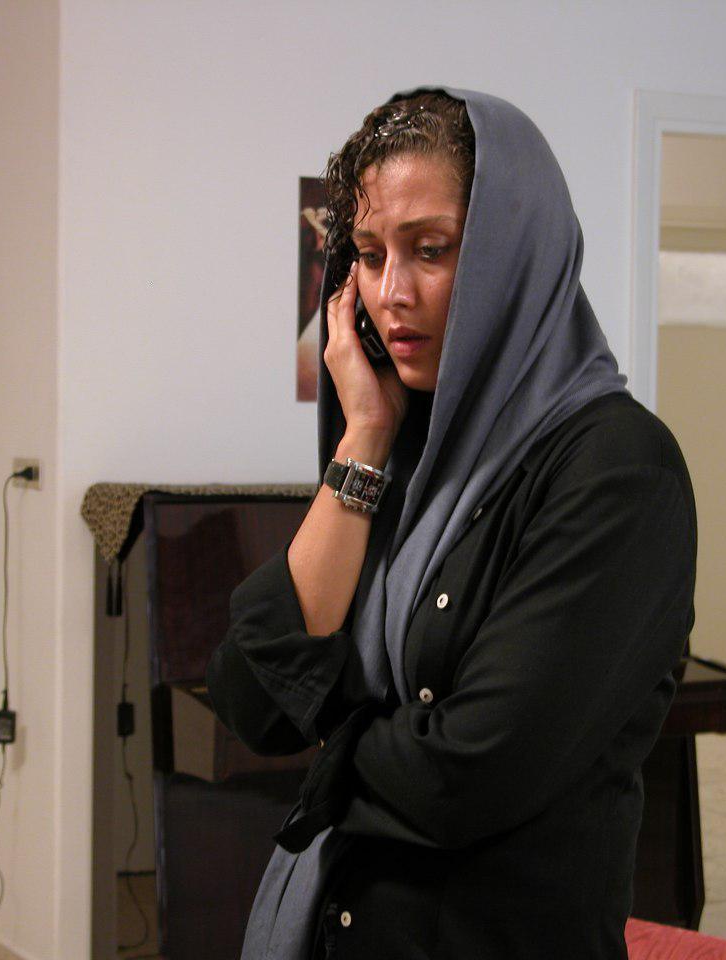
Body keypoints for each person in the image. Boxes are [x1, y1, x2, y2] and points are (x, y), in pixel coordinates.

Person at [206, 86, 697, 960]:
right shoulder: (401, 444)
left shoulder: (618, 471)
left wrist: (327, 726)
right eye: (368, 255)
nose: (392, 293)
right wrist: (363, 439)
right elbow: (254, 699)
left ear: (515, 256)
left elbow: (469, 777)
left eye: (430, 250)